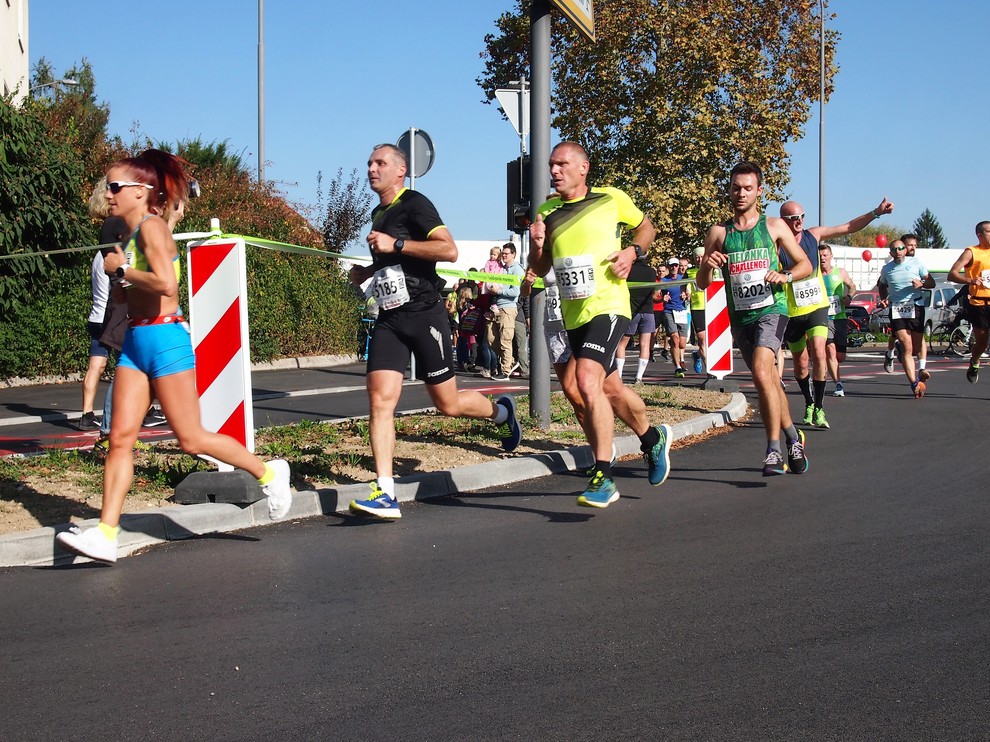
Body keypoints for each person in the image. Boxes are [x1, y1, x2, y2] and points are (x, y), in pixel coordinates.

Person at [56, 150, 293, 564]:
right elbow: (143, 287)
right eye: (107, 186)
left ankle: (270, 474)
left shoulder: (151, 230)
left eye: (114, 187)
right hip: (136, 341)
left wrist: (121, 272)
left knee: (190, 438)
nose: (107, 194)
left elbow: (165, 283)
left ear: (141, 193)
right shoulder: (133, 236)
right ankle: (106, 533)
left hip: (165, 341)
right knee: (120, 440)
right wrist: (124, 282)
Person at [347, 143, 521, 519]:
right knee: (380, 400)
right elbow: (395, 266)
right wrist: (368, 272)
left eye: (380, 163)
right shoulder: (379, 213)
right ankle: (385, 491)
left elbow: (449, 250)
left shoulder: (415, 203)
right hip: (391, 317)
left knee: (448, 403)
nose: (371, 169)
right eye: (369, 163)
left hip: (426, 314)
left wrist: (397, 243)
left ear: (400, 170)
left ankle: (502, 413)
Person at [528, 141, 671, 507]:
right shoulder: (547, 211)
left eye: (562, 164)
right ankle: (652, 438)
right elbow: (541, 269)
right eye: (551, 165)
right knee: (610, 390)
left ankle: (603, 475)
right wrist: (537, 246)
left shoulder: (612, 199)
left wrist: (632, 251)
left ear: (583, 167)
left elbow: (647, 229)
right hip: (573, 314)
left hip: (608, 306)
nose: (554, 171)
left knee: (586, 380)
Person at [696, 161, 812, 476]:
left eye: (748, 188)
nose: (741, 193)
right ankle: (793, 437)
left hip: (772, 310)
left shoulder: (774, 226)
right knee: (768, 380)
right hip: (742, 318)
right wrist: (709, 264)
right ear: (729, 191)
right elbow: (702, 283)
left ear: (759, 191)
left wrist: (785, 275)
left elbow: (805, 265)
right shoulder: (719, 232)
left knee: (763, 371)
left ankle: (773, 450)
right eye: (736, 188)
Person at [778, 197, 894, 429]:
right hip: (792, 311)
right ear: (783, 221)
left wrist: (876, 212)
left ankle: (819, 407)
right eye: (793, 218)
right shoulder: (777, 246)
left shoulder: (814, 235)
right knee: (801, 365)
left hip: (817, 307)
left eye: (802, 217)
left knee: (820, 353)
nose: (799, 222)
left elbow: (849, 226)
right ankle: (809, 402)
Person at [876, 238, 935, 398]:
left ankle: (919, 368)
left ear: (904, 250)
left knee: (916, 347)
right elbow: (881, 285)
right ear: (890, 253)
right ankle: (914, 383)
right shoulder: (886, 269)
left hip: (915, 306)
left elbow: (931, 282)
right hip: (896, 308)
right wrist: (883, 299)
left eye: (900, 248)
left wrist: (922, 283)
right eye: (894, 249)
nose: (898, 251)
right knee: (907, 347)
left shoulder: (916, 263)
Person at [947, 221, 990, 383]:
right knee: (982, 342)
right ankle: (975, 361)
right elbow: (952, 274)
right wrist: (970, 280)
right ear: (980, 235)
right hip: (979, 304)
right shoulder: (972, 252)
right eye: (989, 232)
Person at [818, 244, 857, 396]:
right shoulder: (815, 274)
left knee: (840, 356)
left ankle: (831, 372)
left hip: (839, 317)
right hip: (823, 318)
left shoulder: (840, 272)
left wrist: (849, 296)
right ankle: (838, 384)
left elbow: (852, 286)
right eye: (820, 256)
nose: (822, 258)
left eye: (825, 255)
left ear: (831, 256)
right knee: (830, 350)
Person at [615, 255, 658, 384]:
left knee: (621, 343)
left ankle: (619, 376)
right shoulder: (652, 272)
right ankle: (639, 377)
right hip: (648, 310)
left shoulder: (629, 270)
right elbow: (655, 293)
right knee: (645, 345)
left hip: (631, 310)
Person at [489, 243, 524, 380]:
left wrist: (499, 291)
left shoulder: (517, 270)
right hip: (496, 307)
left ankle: (505, 371)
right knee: (491, 338)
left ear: (513, 254)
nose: (503, 255)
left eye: (506, 253)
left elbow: (516, 291)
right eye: (502, 253)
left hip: (508, 307)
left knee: (506, 340)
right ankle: (510, 361)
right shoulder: (501, 268)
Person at [661, 257, 689, 377]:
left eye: (676, 266)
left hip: (681, 311)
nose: (674, 268)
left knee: (682, 344)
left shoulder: (683, 279)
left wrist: (686, 296)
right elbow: (656, 296)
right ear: (668, 267)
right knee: (674, 339)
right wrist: (662, 299)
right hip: (669, 311)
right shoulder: (663, 281)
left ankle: (676, 355)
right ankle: (677, 367)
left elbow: (690, 296)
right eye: (671, 266)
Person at [685, 246, 707, 375]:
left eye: (701, 256)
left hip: (714, 308)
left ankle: (697, 354)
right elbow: (685, 287)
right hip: (697, 308)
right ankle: (710, 371)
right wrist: (686, 294)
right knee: (702, 339)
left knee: (712, 341)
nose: (699, 259)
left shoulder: (715, 271)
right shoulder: (689, 272)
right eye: (696, 257)